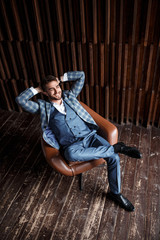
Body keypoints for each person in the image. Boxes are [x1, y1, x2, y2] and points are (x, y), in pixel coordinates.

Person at [16, 71, 141, 212]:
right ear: (45, 93)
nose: (57, 90)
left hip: (90, 137)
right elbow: (20, 100)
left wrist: (62, 78)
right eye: (51, 89)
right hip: (72, 145)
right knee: (70, 154)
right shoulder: (43, 108)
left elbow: (81, 75)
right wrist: (37, 89)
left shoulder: (70, 96)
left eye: (57, 86)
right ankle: (118, 148)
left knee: (114, 158)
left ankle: (115, 193)